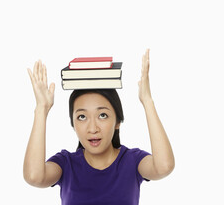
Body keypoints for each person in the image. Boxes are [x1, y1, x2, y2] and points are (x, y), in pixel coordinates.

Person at [23, 49, 175, 205]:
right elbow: (34, 176)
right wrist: (41, 109)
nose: (92, 128)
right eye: (82, 117)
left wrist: (147, 102)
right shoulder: (66, 163)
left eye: (102, 115)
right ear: (73, 124)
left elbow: (164, 166)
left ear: (118, 122)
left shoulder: (132, 160)